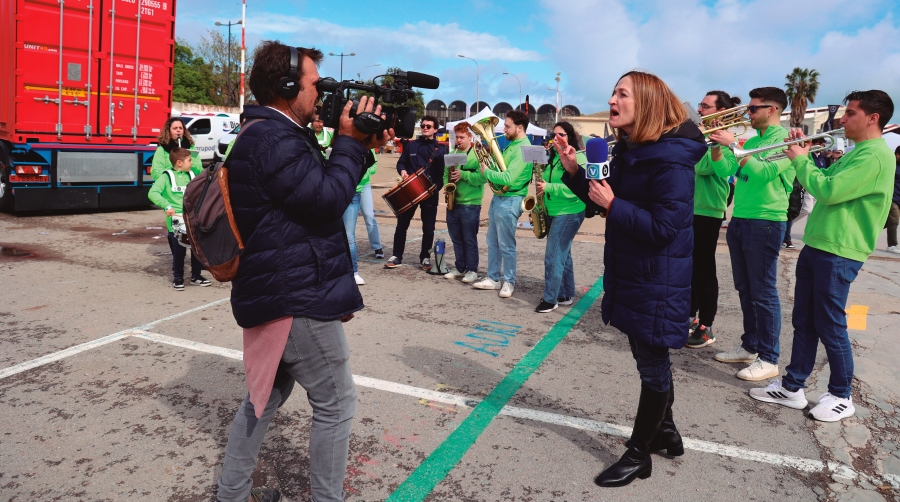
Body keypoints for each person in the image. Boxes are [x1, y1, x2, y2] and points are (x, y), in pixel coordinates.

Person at [216, 41, 393, 502]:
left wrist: (361, 147)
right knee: (336, 403)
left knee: (263, 400)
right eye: (315, 85)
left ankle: (231, 494)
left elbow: (318, 190)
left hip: (283, 289)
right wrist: (351, 143)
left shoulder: (274, 133)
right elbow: (326, 202)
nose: (321, 93)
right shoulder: (273, 139)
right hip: (294, 297)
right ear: (287, 86)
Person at [559, 71, 707, 487]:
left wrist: (614, 203)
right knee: (649, 356)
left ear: (646, 103)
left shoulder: (673, 161)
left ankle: (639, 453)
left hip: (656, 278)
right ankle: (667, 432)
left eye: (622, 94)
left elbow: (664, 228)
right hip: (634, 272)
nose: (611, 99)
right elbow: (604, 196)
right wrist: (574, 171)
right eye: (613, 92)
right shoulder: (633, 150)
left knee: (652, 363)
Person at [750, 90, 895, 422]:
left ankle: (842, 396)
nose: (843, 120)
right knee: (805, 321)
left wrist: (799, 158)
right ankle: (792, 387)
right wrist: (803, 152)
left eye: (852, 114)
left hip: (839, 251)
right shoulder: (858, 152)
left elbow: (828, 191)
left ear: (873, 119)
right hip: (821, 246)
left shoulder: (874, 155)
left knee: (830, 325)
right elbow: (824, 180)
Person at [707, 87, 795, 382]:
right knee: (745, 288)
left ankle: (769, 357)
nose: (749, 113)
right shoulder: (754, 139)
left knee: (764, 292)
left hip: (766, 222)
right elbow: (725, 171)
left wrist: (734, 145)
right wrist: (717, 146)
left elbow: (763, 173)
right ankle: (750, 346)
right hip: (741, 220)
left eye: (754, 108)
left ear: (772, 110)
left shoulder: (786, 141)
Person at [687, 91, 741, 347]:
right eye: (700, 105)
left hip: (707, 210)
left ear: (721, 111)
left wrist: (699, 138)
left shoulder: (730, 139)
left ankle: (706, 324)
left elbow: (701, 166)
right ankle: (689, 314)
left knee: (704, 269)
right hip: (688, 206)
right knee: (688, 267)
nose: (700, 110)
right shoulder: (700, 133)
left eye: (706, 107)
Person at [472, 110, 534, 298]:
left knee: (506, 244)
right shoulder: (513, 144)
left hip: (511, 198)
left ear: (519, 127)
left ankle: (509, 281)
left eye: (507, 126)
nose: (504, 130)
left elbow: (508, 178)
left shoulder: (524, 148)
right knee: (493, 241)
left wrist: (487, 172)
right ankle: (493, 277)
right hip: (500, 197)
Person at [534, 121, 586, 313]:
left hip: (569, 211)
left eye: (561, 134)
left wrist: (549, 187)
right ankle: (564, 294)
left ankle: (550, 299)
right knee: (564, 254)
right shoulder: (553, 157)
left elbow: (578, 189)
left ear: (570, 137)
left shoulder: (577, 157)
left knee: (553, 256)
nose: (557, 138)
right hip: (554, 211)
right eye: (554, 134)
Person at [385, 115, 446, 270]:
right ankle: (396, 255)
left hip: (430, 195)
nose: (425, 128)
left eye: (429, 126)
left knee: (428, 228)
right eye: (423, 125)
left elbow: (441, 176)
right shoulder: (411, 145)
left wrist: (433, 190)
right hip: (409, 192)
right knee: (401, 225)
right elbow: (401, 163)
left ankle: (425, 257)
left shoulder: (440, 150)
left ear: (435, 130)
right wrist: (403, 171)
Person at [146, 147, 209, 289]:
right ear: (179, 162)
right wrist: (166, 205)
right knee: (179, 251)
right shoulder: (166, 177)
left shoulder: (192, 175)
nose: (192, 163)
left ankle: (196, 275)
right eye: (189, 160)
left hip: (192, 219)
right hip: (176, 221)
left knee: (196, 250)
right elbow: (153, 193)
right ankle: (178, 277)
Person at [443, 122, 486, 283]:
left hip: (470, 203)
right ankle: (460, 267)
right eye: (457, 137)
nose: (458, 140)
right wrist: (447, 186)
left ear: (470, 137)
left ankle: (472, 269)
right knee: (456, 238)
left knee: (469, 238)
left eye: (462, 137)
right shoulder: (452, 153)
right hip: (453, 202)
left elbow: (482, 178)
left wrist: (463, 175)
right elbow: (445, 173)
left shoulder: (477, 154)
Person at [342, 149, 381, 285]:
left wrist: (363, 171)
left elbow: (374, 166)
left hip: (361, 186)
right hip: (342, 188)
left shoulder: (368, 146)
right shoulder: (340, 142)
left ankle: (376, 247)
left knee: (369, 216)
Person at [885, 146, 900, 253]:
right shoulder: (891, 165)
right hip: (892, 197)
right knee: (894, 221)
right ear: (898, 155)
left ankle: (862, 231)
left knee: (887, 222)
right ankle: (892, 245)